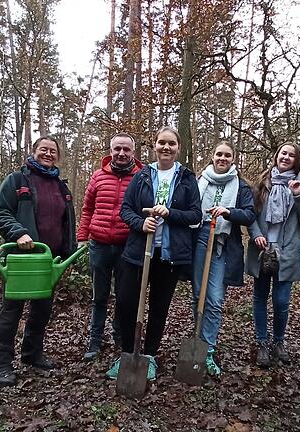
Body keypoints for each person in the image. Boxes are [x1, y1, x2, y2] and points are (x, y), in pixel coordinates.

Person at [105, 126, 202, 381]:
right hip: (138, 252)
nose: (166, 148)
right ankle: (127, 353)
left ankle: (148, 356)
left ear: (178, 148)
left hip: (169, 255)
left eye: (171, 143)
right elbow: (126, 209)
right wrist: (141, 223)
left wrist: (170, 214)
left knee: (159, 308)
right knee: (127, 303)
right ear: (155, 146)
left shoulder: (187, 178)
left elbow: (195, 215)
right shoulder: (143, 175)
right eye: (161, 143)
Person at [0, 136, 77, 387]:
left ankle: (32, 353)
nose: (48, 154)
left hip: (48, 261)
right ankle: (2, 363)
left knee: (42, 310)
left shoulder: (62, 187)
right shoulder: (18, 180)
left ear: (57, 156)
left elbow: (66, 223)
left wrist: (69, 251)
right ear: (33, 152)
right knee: (11, 311)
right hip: (21, 261)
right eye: (43, 150)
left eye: (52, 151)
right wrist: (18, 233)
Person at [246, 143, 300, 369]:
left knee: (281, 301)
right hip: (262, 249)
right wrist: (256, 234)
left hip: (287, 251)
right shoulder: (263, 183)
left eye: (291, 155)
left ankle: (278, 342)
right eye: (283, 153)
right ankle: (262, 343)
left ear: (296, 160)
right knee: (260, 297)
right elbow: (251, 215)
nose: (286, 157)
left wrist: (297, 195)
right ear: (277, 156)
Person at [191, 141, 255, 376]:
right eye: (219, 154)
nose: (222, 158)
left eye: (227, 155)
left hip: (222, 244)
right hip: (198, 238)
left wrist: (228, 211)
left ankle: (208, 349)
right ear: (212, 156)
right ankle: (196, 340)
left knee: (215, 299)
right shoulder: (200, 180)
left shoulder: (241, 185)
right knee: (198, 295)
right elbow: (189, 207)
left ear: (233, 159)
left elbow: (249, 214)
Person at [77, 133, 142, 361]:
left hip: (128, 246)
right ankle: (95, 340)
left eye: (126, 149)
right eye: (117, 149)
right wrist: (82, 236)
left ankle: (118, 336)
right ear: (110, 151)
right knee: (99, 296)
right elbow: (87, 209)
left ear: (133, 152)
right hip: (100, 244)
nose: (121, 153)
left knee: (124, 297)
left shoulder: (142, 177)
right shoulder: (98, 177)